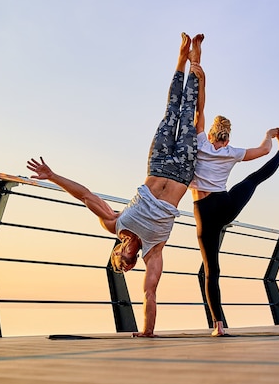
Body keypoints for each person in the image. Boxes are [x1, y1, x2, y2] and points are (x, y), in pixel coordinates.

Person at [26, 32, 205, 337]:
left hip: (158, 163)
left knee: (170, 111)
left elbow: (85, 196)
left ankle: (181, 57)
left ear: (118, 250)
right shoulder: (154, 252)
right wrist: (147, 332)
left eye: (122, 258)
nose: (128, 256)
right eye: (129, 262)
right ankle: (197, 60)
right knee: (187, 115)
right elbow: (150, 294)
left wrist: (53, 176)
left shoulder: (115, 223)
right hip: (183, 171)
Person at [190, 111, 279, 336]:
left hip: (204, 213)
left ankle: (218, 325)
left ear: (210, 134)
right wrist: (269, 135)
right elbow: (264, 150)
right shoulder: (232, 152)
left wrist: (200, 81)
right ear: (227, 139)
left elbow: (200, 113)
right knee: (252, 180)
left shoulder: (200, 144)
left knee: (211, 270)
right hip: (225, 206)